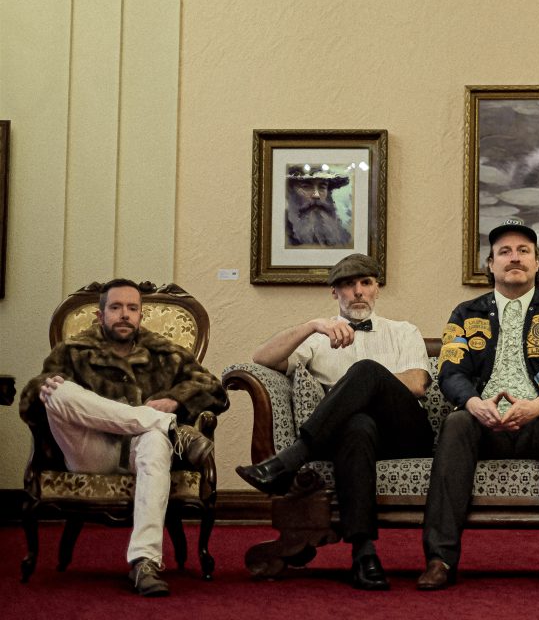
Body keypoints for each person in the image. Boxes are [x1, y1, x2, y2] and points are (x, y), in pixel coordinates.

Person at [235, 253, 433, 591]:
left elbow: (416, 383)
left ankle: (289, 460)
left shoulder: (403, 331)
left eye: (365, 283)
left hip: (406, 434)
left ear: (377, 289)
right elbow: (262, 358)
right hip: (352, 439)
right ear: (334, 293)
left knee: (366, 371)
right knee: (357, 425)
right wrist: (312, 326)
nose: (358, 291)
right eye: (347, 284)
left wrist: (368, 383)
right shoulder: (316, 340)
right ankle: (363, 554)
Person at [19, 279, 228, 597]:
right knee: (56, 391)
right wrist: (47, 390)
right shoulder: (73, 352)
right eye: (115, 307)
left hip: (139, 451)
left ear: (141, 314)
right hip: (90, 450)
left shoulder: (166, 353)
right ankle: (166, 425)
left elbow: (215, 389)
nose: (124, 314)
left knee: (155, 442)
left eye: (132, 308)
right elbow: (34, 396)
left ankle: (145, 562)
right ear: (100, 315)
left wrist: (175, 400)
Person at [419, 220, 539, 591]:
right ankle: (439, 559)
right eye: (505, 252)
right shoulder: (466, 313)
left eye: (523, 251)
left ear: (536, 262)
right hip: (482, 422)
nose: (515, 258)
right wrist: (473, 403)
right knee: (456, 423)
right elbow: (450, 371)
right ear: (491, 264)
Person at [285, 166, 352, 247]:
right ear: (291, 191)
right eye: (306, 186)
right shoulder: (281, 230)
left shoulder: (340, 233)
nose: (316, 195)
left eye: (322, 187)